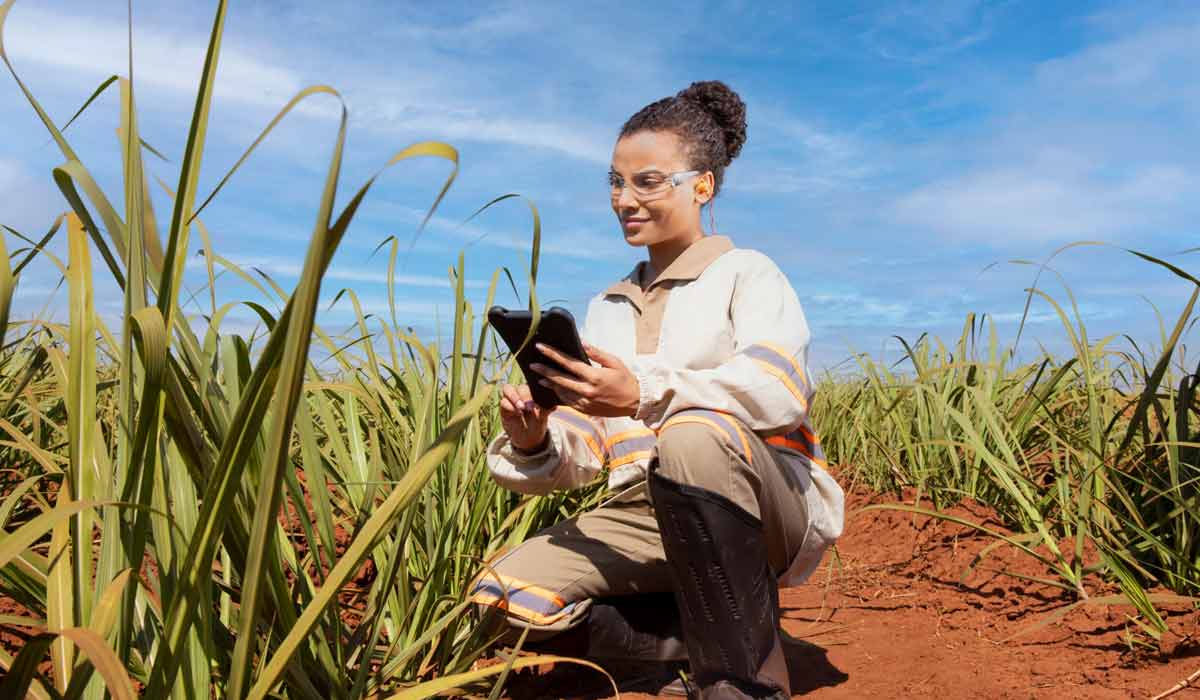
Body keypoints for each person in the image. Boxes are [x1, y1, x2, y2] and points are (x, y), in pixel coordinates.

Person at [469, 80, 845, 700]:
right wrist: (538, 439)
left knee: (694, 434)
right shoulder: (608, 306)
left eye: (647, 181)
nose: (624, 199)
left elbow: (777, 391)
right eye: (616, 182)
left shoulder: (746, 273)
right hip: (643, 513)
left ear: (703, 186)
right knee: (500, 599)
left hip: (759, 503)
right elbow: (587, 447)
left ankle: (742, 680)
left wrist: (642, 390)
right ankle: (695, 639)